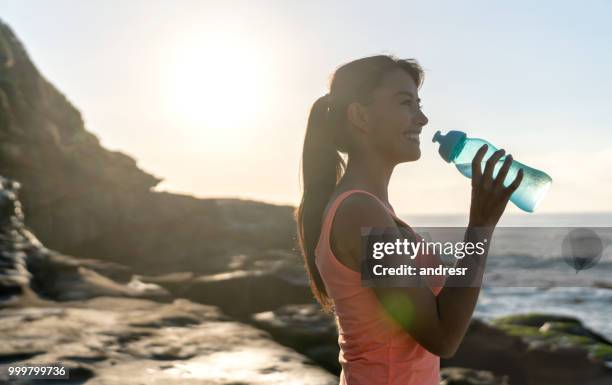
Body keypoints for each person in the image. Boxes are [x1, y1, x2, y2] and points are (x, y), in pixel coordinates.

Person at [295, 55, 523, 385]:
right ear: (360, 116)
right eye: (406, 103)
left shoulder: (370, 208)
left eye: (419, 104)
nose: (423, 118)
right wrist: (481, 227)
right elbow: (443, 337)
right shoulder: (361, 212)